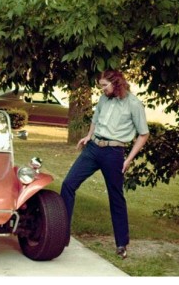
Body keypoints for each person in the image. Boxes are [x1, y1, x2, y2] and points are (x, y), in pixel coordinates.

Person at [60, 69, 149, 259]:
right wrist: (88, 136)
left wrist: (128, 159)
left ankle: (121, 243)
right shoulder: (103, 99)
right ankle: (62, 233)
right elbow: (95, 119)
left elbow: (144, 134)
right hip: (93, 149)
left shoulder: (134, 104)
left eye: (103, 86)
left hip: (114, 153)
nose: (101, 89)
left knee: (116, 197)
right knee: (68, 184)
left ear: (116, 83)